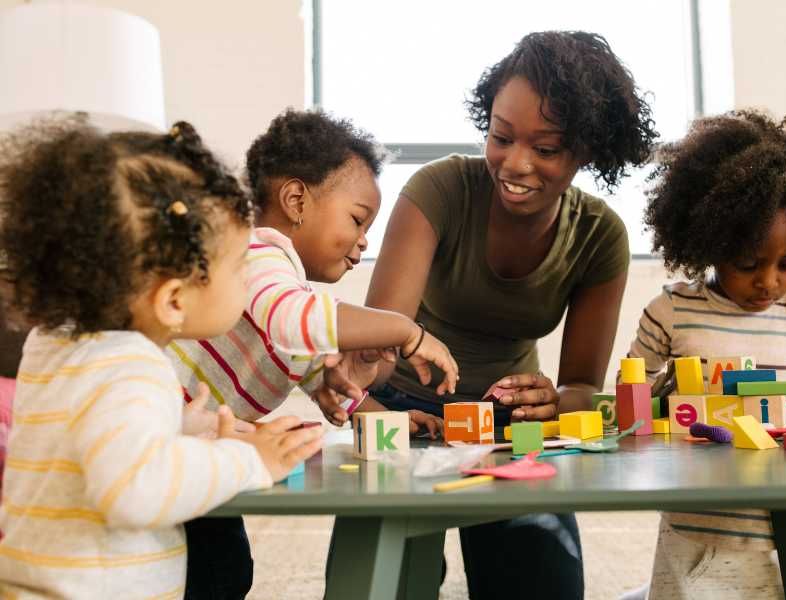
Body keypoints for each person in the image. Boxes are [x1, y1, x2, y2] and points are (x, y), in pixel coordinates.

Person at [347, 30, 658, 598]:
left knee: (541, 582)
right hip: (403, 413)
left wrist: (555, 401)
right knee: (389, 580)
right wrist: (360, 403)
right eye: (501, 136)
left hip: (512, 426)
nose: (515, 164)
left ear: (587, 150)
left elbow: (584, 386)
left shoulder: (598, 235)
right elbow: (375, 349)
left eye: (546, 149)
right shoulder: (439, 190)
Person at [0, 116, 323, 599]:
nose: (245, 285)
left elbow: (84, 442)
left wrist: (176, 428)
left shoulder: (55, 341)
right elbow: (133, 491)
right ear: (173, 300)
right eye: (239, 269)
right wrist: (248, 460)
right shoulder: (135, 365)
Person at [167, 108, 458, 598]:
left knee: (224, 568)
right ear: (297, 199)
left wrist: (378, 417)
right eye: (358, 219)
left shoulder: (289, 288)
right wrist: (405, 330)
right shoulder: (258, 252)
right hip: (166, 430)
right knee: (208, 569)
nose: (364, 241)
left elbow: (318, 379)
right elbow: (293, 319)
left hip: (199, 441)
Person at [619, 110, 786, 600]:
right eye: (748, 264)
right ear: (710, 242)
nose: (769, 282)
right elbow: (628, 408)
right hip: (701, 530)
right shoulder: (672, 311)